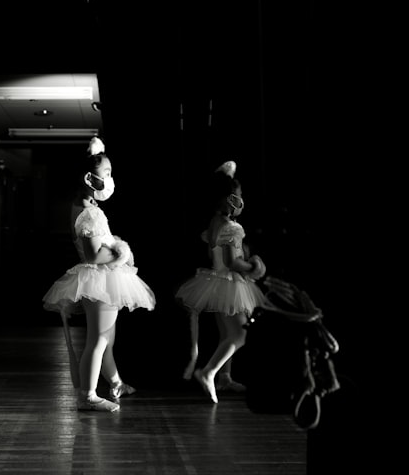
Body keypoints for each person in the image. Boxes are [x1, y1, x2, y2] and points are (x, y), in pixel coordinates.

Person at [42, 137, 156, 412]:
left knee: (107, 339)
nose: (110, 179)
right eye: (106, 174)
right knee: (99, 339)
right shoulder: (89, 213)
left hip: (102, 279)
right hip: (100, 279)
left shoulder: (86, 208)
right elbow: (93, 254)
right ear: (89, 178)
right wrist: (121, 253)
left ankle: (116, 383)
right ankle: (88, 395)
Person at [175, 161, 268, 404]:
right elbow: (233, 261)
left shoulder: (215, 222)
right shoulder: (232, 228)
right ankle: (209, 372)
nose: (241, 200)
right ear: (229, 199)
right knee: (239, 336)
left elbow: (215, 256)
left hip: (216, 282)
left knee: (226, 333)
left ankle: (225, 377)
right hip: (231, 283)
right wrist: (255, 268)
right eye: (238, 196)